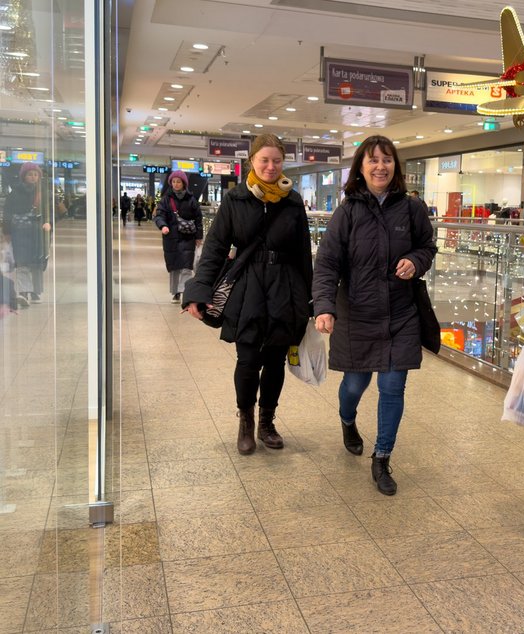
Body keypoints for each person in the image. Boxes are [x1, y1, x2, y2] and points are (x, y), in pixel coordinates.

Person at [312, 135, 436, 496]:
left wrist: (415, 261)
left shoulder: (412, 208)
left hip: (401, 313)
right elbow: (327, 263)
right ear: (361, 168)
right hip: (357, 313)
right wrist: (324, 306)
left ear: (396, 165)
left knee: (392, 387)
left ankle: (382, 457)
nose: (381, 166)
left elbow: (427, 247)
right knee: (355, 385)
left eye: (387, 159)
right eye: (373, 160)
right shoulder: (348, 212)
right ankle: (347, 420)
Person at [182, 134, 313, 455]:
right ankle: (246, 420)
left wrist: (311, 300)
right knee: (248, 359)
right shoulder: (236, 199)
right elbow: (215, 247)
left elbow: (302, 254)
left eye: (277, 161)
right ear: (252, 160)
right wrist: (197, 291)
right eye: (264, 160)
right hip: (247, 286)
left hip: (284, 286)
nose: (271, 166)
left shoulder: (293, 202)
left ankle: (267, 421)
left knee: (275, 361)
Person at [2, 162, 51, 307]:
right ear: (24, 176)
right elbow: (7, 214)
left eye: (36, 174)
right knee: (22, 262)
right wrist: (7, 232)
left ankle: (35, 291)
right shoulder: (14, 193)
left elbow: (49, 212)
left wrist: (49, 224)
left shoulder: (42, 193)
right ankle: (24, 291)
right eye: (30, 174)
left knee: (37, 263)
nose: (33, 177)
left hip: (38, 233)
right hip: (20, 233)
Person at [155, 170, 203, 303]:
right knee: (174, 267)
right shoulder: (166, 199)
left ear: (184, 184)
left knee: (187, 266)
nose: (176, 184)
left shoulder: (191, 200)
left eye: (178, 182)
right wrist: (163, 226)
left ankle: (185, 292)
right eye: (174, 182)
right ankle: (175, 292)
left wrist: (199, 237)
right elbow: (159, 215)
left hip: (188, 237)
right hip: (171, 238)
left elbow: (198, 219)